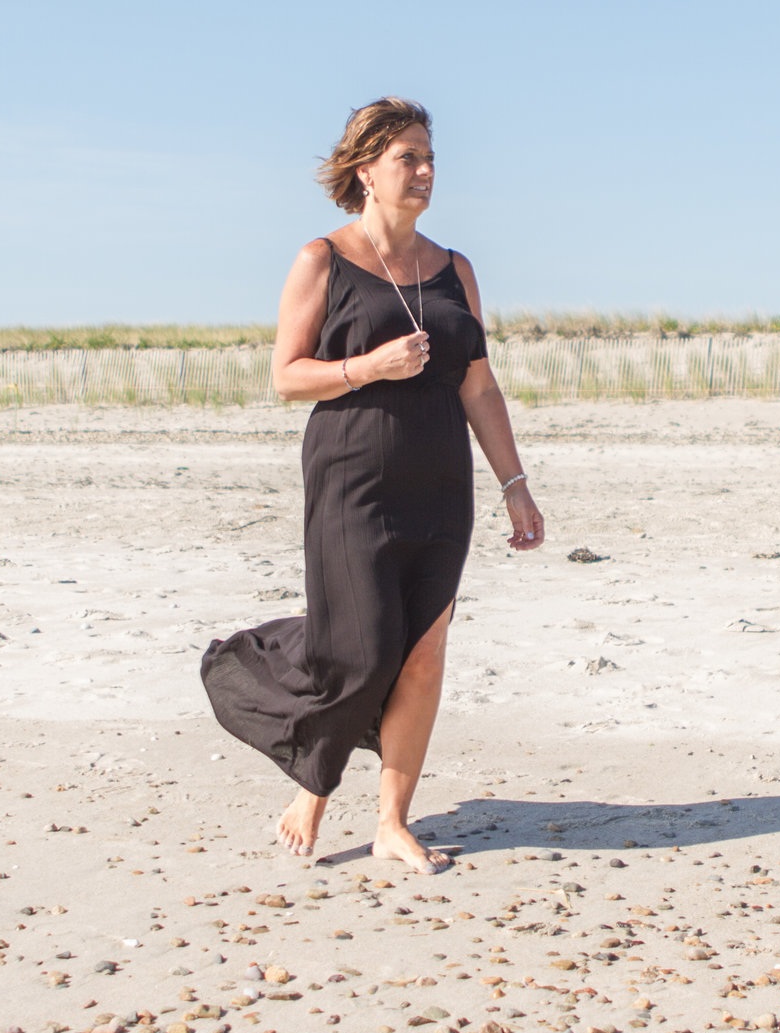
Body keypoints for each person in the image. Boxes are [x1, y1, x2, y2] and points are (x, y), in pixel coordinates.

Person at [200, 96, 545, 872]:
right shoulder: (322, 258)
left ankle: (393, 819)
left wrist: (514, 483)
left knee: (421, 651)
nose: (424, 172)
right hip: (351, 480)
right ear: (367, 171)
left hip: (440, 483)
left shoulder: (455, 270)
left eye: (429, 158)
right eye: (408, 159)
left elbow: (480, 388)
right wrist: (367, 366)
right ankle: (313, 776)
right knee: (358, 644)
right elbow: (286, 376)